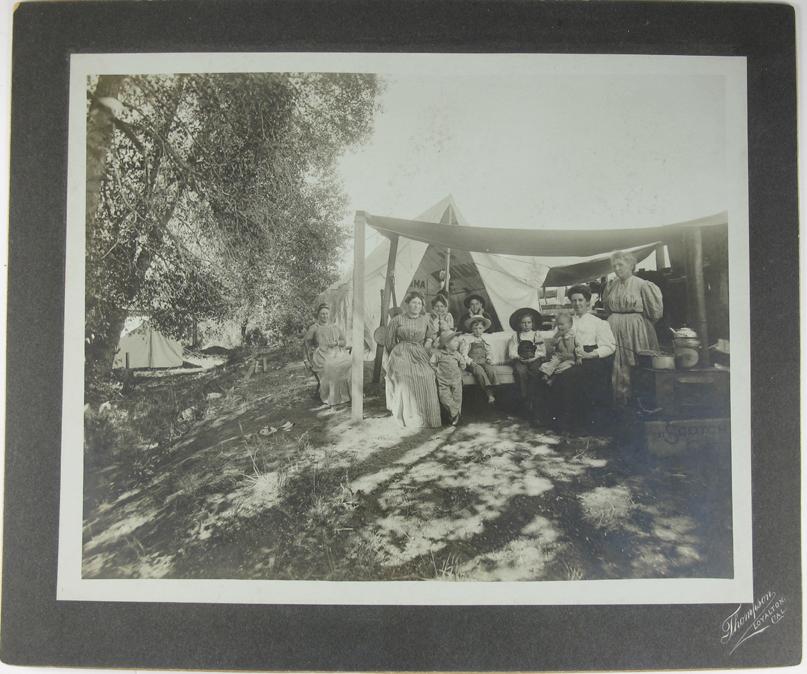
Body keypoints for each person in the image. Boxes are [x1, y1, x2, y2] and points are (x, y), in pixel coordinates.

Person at [549, 285, 616, 431]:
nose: (577, 303)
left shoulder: (598, 322)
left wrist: (590, 354)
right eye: (574, 300)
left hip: (591, 358)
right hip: (568, 356)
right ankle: (560, 421)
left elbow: (609, 346)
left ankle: (581, 424)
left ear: (587, 302)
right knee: (552, 375)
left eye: (580, 300)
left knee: (571, 376)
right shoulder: (566, 321)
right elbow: (555, 342)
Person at [602, 251, 664, 405]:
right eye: (614, 265)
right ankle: (618, 404)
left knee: (636, 365)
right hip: (613, 329)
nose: (616, 268)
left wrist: (636, 324)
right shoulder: (610, 286)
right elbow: (607, 309)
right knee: (615, 365)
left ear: (630, 265)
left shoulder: (642, 285)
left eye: (620, 265)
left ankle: (638, 404)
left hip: (636, 331)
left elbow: (655, 313)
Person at [384, 291, 441, 428]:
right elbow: (389, 341)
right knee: (404, 376)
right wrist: (394, 356)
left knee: (427, 375)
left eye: (419, 303)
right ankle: (406, 417)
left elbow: (432, 335)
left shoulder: (426, 319)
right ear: (408, 304)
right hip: (401, 352)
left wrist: (427, 341)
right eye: (414, 302)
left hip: (419, 352)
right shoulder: (397, 320)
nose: (417, 306)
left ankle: (427, 417)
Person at [303, 304, 352, 406]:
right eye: (322, 314)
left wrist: (337, 343)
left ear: (329, 315)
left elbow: (344, 341)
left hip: (336, 352)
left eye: (326, 314)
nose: (324, 316)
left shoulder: (334, 326)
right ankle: (333, 397)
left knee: (350, 363)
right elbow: (305, 344)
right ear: (318, 315)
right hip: (322, 354)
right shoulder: (314, 328)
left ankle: (351, 393)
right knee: (331, 366)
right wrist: (306, 360)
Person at [507, 307, 547, 412]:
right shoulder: (516, 336)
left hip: (534, 359)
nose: (526, 325)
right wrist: (518, 357)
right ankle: (524, 398)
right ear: (519, 324)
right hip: (520, 359)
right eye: (523, 323)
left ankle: (534, 399)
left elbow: (541, 350)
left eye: (529, 322)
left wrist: (534, 358)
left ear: (533, 323)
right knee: (521, 372)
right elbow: (512, 351)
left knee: (535, 372)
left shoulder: (536, 335)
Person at [459, 315, 498, 405]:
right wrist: (471, 362)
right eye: (475, 328)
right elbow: (463, 354)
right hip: (473, 363)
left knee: (491, 370)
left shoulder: (484, 340)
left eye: (480, 328)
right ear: (471, 329)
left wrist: (488, 358)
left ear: (484, 329)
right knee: (479, 371)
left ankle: (495, 392)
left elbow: (489, 352)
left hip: (483, 361)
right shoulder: (467, 340)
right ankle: (489, 394)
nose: (478, 330)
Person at [431, 331, 465, 426]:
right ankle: (456, 414)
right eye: (454, 341)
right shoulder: (439, 354)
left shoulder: (457, 354)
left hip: (456, 380)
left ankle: (455, 418)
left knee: (457, 398)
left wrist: (461, 369)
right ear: (446, 344)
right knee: (444, 398)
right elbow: (432, 363)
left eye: (457, 341)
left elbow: (463, 364)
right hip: (443, 381)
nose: (457, 343)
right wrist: (436, 370)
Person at [539, 312, 577, 386]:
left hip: (570, 357)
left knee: (564, 367)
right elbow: (552, 344)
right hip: (559, 356)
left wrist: (579, 357)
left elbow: (578, 346)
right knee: (552, 363)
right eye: (558, 325)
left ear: (570, 325)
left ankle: (553, 379)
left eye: (562, 324)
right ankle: (546, 375)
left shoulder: (574, 335)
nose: (559, 327)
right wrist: (556, 337)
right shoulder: (558, 335)